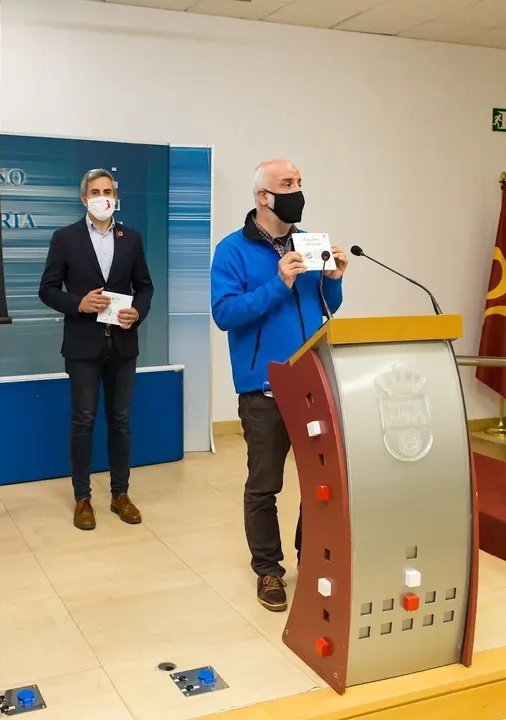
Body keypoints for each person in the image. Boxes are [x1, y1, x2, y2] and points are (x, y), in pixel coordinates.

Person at [210, 159, 347, 612]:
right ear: (263, 197)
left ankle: (313, 560)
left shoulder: (310, 244)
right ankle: (269, 570)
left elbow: (324, 307)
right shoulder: (232, 250)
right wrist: (278, 282)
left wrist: (334, 281)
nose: (297, 190)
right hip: (264, 387)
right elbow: (226, 314)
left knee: (319, 483)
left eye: (300, 183)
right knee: (264, 485)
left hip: (313, 383)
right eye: (287, 184)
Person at [38, 168, 154, 531]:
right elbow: (47, 288)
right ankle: (82, 498)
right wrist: (78, 303)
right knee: (83, 421)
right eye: (95, 191)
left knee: (120, 421)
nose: (102, 196)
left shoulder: (131, 238)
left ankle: (120, 494)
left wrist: (138, 312)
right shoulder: (64, 238)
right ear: (83, 198)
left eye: (108, 190)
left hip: (122, 343)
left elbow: (145, 286)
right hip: (82, 344)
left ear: (115, 197)